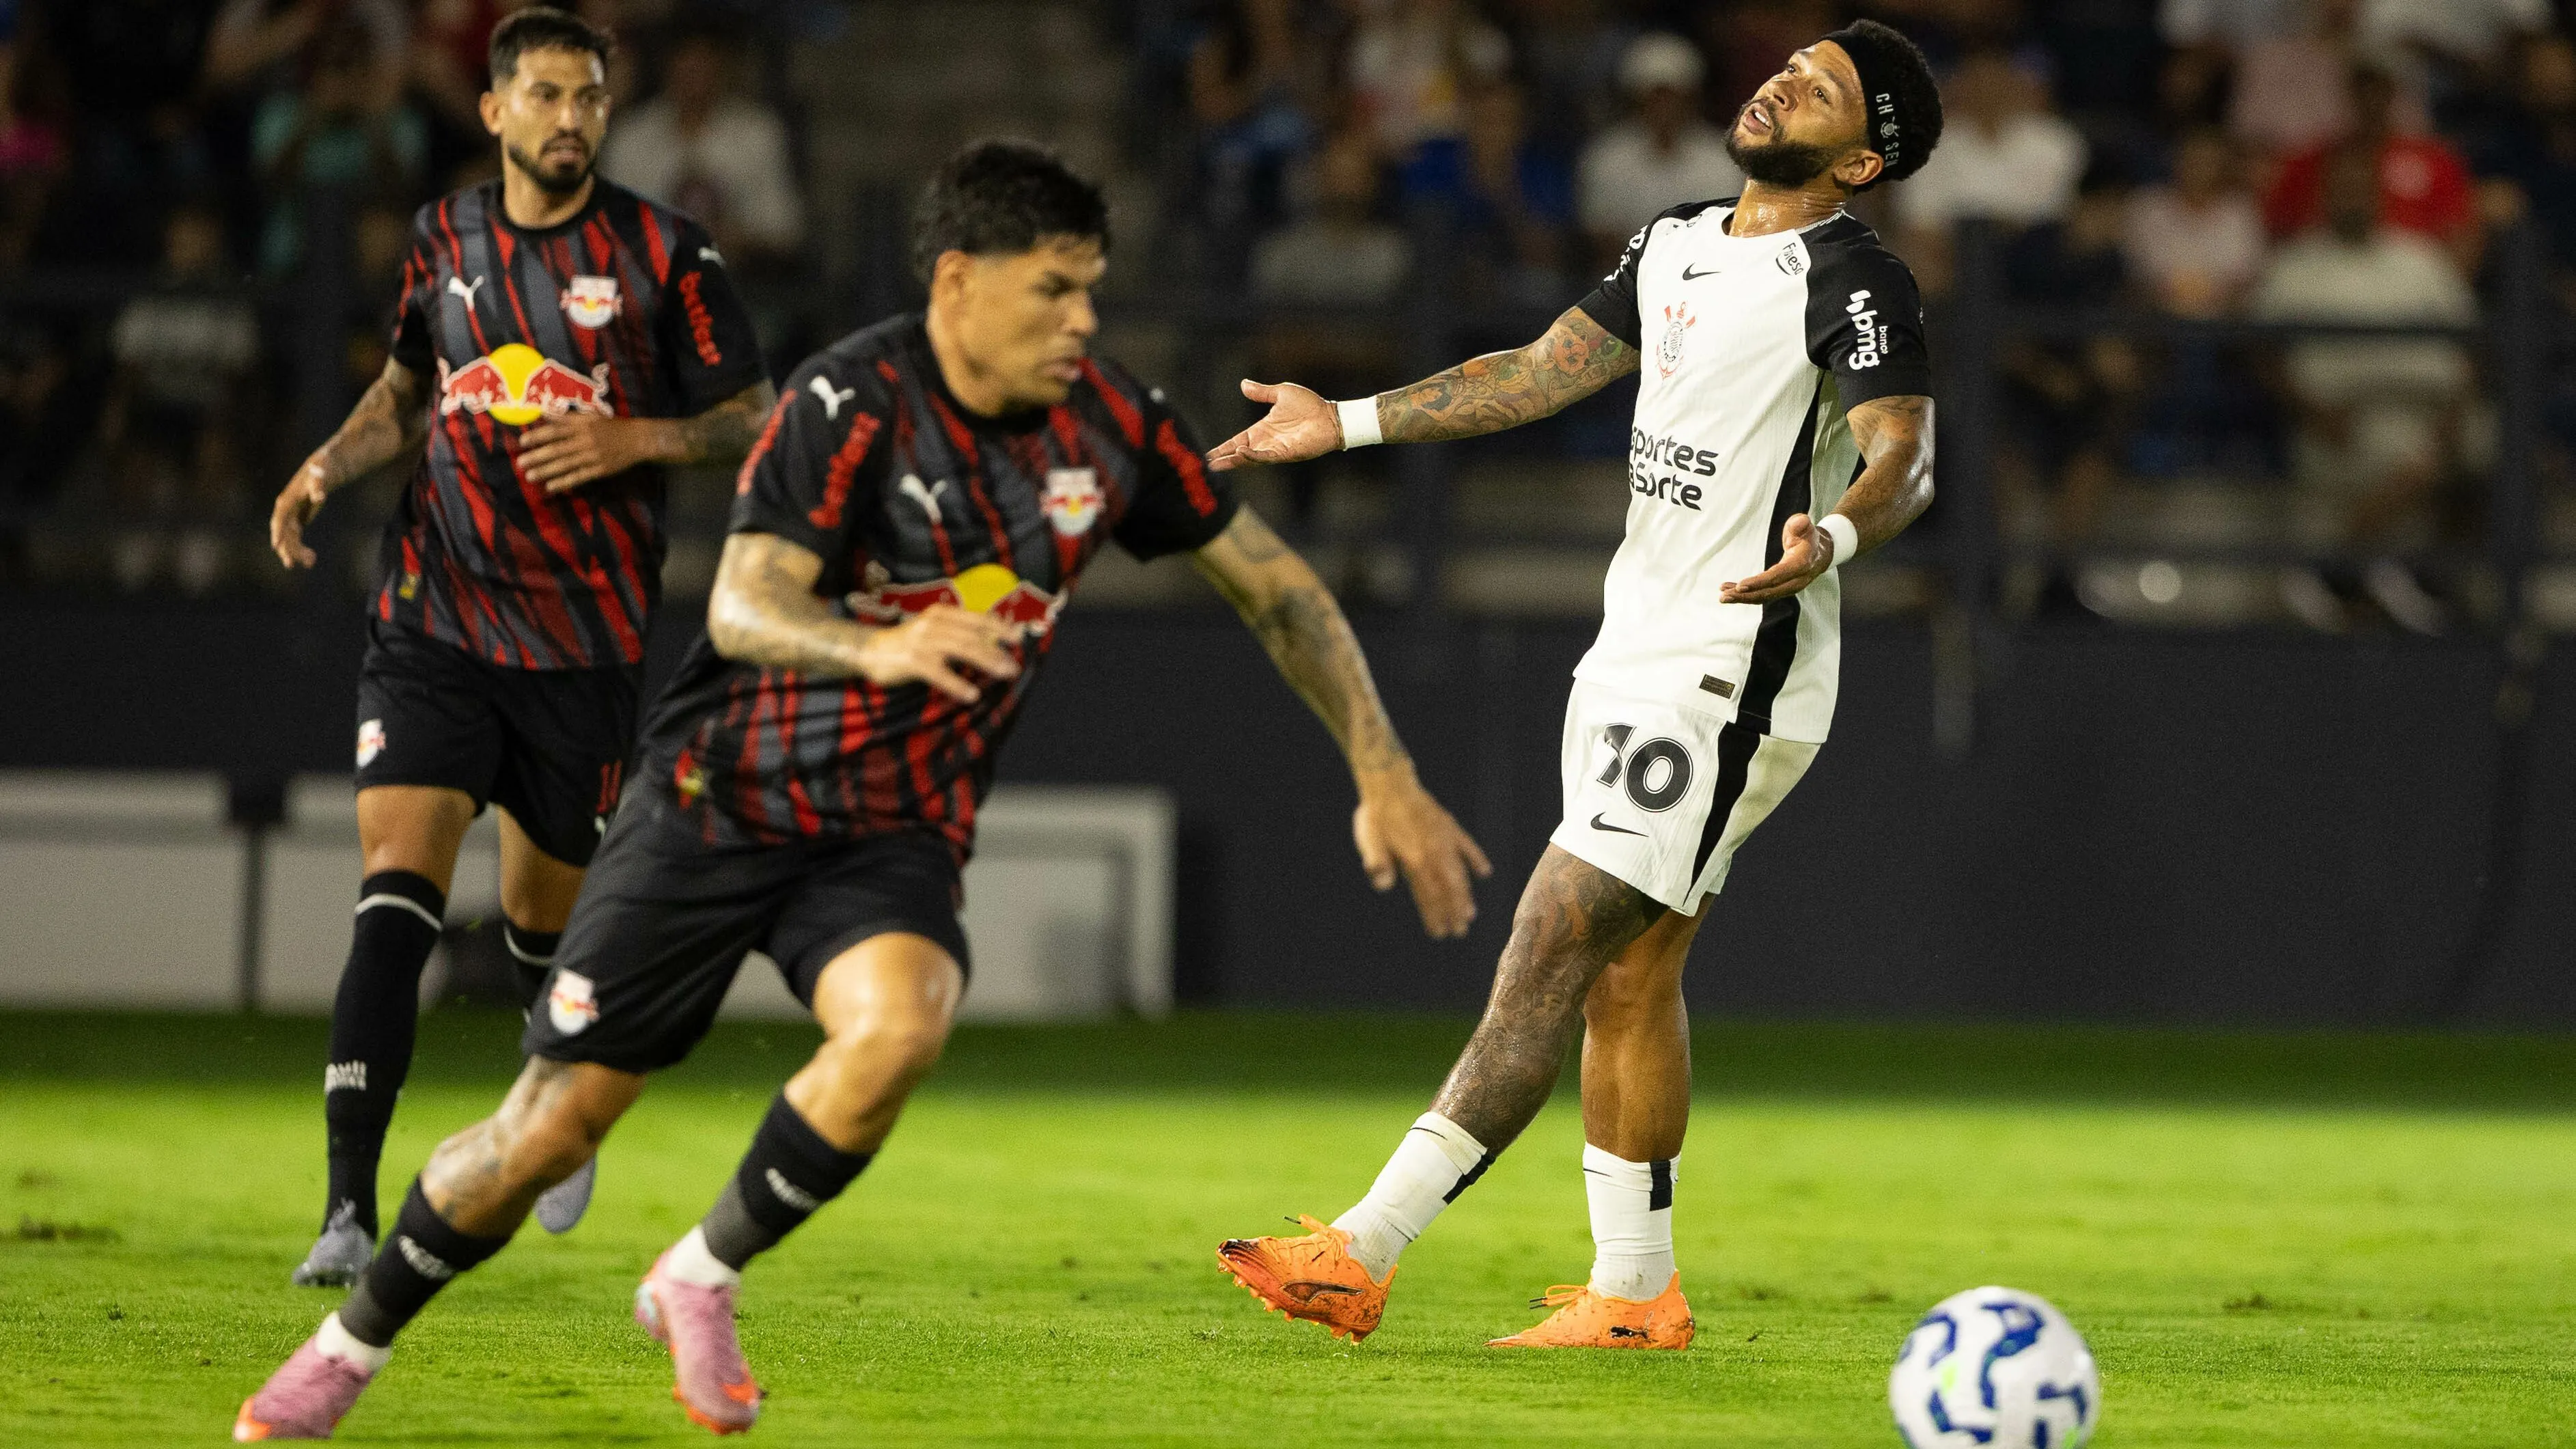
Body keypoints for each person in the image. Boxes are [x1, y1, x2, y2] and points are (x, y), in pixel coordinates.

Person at [232, 137, 1491, 1439]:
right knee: (545, 1134)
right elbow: (745, 597)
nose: (1083, 321)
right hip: (719, 800)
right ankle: (346, 1346)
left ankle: (696, 1272)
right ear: (957, 282)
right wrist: (876, 642)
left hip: (889, 827)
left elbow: (1274, 586)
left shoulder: (1113, 426)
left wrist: (1381, 768)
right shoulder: (849, 403)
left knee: (904, 1020)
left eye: (1091, 290)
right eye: (1053, 290)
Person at [1212, 20, 1941, 1349]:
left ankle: (1359, 1246)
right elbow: (1540, 371)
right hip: (1630, 644)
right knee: (1630, 972)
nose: (1784, 78)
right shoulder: (1669, 239)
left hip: (1733, 664)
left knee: (1553, 930)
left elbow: (1906, 452)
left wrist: (1832, 530)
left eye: (1822, 89)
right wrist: (1350, 420)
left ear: (1860, 159)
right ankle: (1632, 1291)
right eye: (1792, 62)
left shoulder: (1854, 275)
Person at [262, 7, 777, 1293]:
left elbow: (751, 421)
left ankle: (553, 1105)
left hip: (580, 648)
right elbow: (404, 394)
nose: (569, 118)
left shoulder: (666, 254)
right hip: (433, 623)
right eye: (544, 95)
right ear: (493, 110)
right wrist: (323, 469)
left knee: (546, 934)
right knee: (396, 895)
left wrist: (635, 440)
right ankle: (343, 1206)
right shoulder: (442, 239)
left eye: (589, 97)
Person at [2254, 143, 2476, 634]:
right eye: (2342, 189)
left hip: (2428, 410)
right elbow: (2258, 351)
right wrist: (2308, 409)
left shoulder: (2418, 259)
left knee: (2490, 451)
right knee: (2415, 462)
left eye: (2362, 189)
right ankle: (2392, 578)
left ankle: (2337, 570)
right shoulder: (2297, 263)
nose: (2353, 198)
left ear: (2378, 193)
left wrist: (2452, 420)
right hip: (2336, 417)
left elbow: (2468, 350)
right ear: (2325, 195)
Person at [598, 26, 804, 271]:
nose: (695, 74)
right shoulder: (631, 136)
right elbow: (606, 230)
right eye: (686, 63)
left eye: (705, 63)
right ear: (667, 67)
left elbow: (784, 230)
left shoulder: (757, 133)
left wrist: (736, 237)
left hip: (739, 282)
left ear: (724, 67)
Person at [1578, 33, 1744, 273]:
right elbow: (1602, 238)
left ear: (1692, 99)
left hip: (1706, 277)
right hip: (1624, 282)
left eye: (1673, 96)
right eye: (1654, 96)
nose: (1663, 107)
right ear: (1636, 99)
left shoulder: (1723, 158)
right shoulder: (1606, 157)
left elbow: (1728, 234)